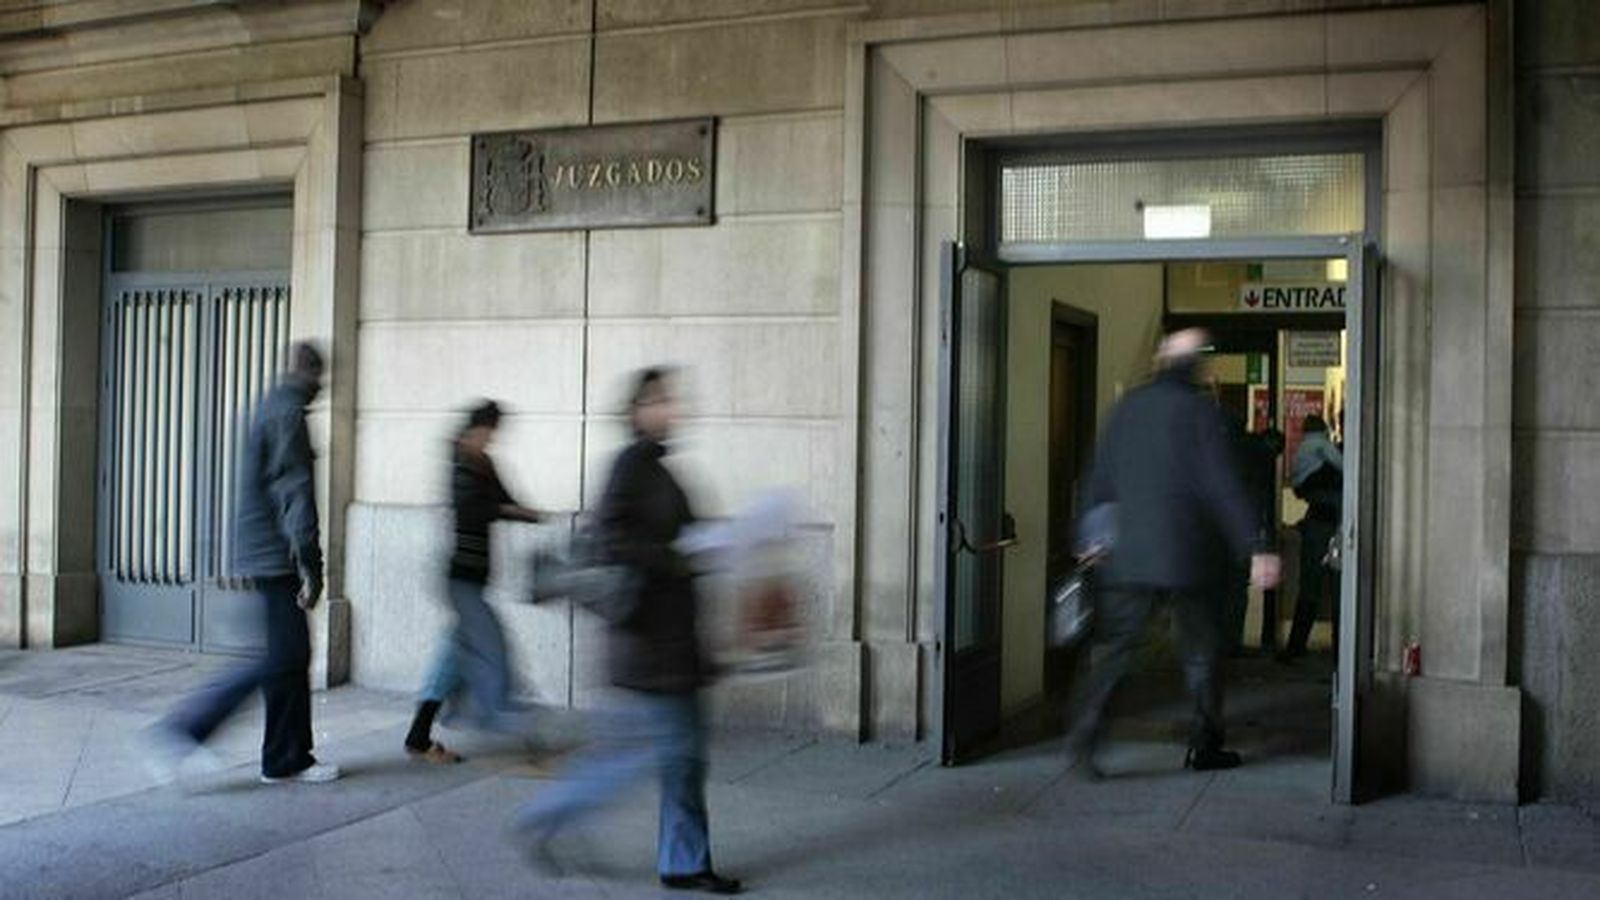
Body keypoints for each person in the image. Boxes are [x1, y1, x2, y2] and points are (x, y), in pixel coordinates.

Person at [515, 368, 742, 895]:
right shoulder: (631, 467)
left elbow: (682, 538)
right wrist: (677, 558)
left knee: (661, 757)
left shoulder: (662, 470)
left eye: (672, 400)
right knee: (665, 757)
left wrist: (716, 545)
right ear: (637, 410)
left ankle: (674, 857)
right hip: (647, 645)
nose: (672, 409)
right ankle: (671, 857)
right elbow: (612, 541)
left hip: (667, 643)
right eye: (660, 401)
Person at [1066, 329, 1281, 777]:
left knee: (1115, 653)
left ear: (1162, 361)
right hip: (1188, 556)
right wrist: (1256, 546)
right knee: (1202, 654)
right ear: (1197, 369)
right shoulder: (1202, 413)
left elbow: (1098, 474)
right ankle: (1203, 746)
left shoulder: (1127, 408)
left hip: (1127, 556)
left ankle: (1084, 743)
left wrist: (1087, 538)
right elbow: (1222, 485)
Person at [149, 341, 338, 785]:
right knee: (279, 657)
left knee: (287, 657)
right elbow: (295, 495)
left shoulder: (271, 406)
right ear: (310, 373)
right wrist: (312, 568)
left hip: (264, 551)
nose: (322, 388)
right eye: (321, 378)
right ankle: (184, 731)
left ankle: (286, 758)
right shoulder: (288, 413)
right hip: (277, 556)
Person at [403, 400, 542, 763]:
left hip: (477, 579)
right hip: (459, 579)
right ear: (474, 429)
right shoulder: (460, 462)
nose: (490, 440)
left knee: (451, 657)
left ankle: (419, 736)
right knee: (494, 646)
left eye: (494, 434)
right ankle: (501, 714)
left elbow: (504, 500)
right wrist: (506, 510)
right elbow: (471, 508)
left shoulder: (484, 463)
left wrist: (528, 514)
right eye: (487, 432)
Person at [1278, 413, 1343, 662]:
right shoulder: (1329, 450)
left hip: (1318, 523)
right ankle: (1342, 651)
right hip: (1331, 524)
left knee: (1309, 589)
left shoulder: (1307, 450)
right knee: (1338, 593)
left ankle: (1297, 645)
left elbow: (1302, 489)